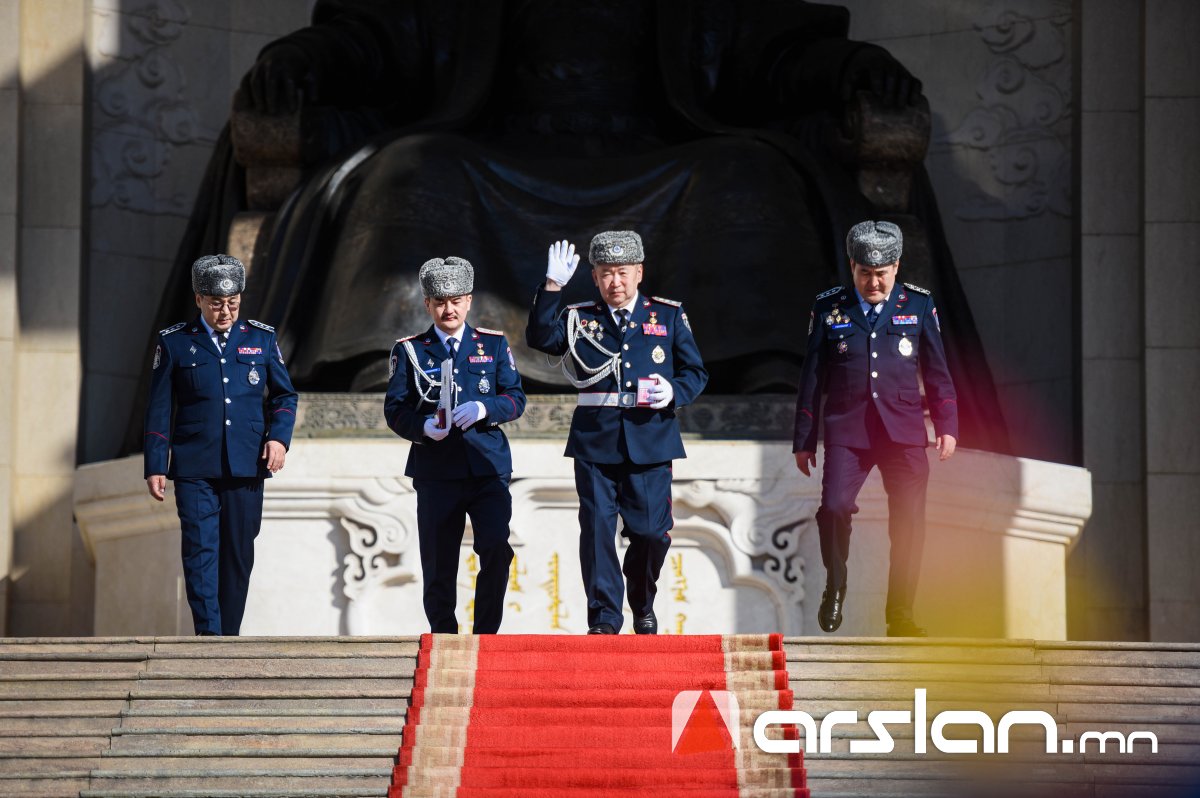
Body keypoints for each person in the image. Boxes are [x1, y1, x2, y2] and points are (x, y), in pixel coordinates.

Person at [526, 232, 708, 634]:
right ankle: (605, 618)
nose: (615, 283)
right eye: (606, 274)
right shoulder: (579, 318)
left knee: (650, 534)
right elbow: (540, 339)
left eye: (623, 273)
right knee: (596, 530)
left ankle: (642, 600)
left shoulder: (668, 316)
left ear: (639, 273)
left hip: (651, 439)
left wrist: (673, 392)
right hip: (596, 442)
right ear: (594, 277)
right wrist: (553, 287)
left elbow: (696, 372)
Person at [793, 221, 958, 637]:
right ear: (852, 267)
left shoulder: (918, 304)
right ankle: (836, 584)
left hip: (902, 432)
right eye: (865, 272)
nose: (874, 281)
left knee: (909, 521)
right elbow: (812, 377)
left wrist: (947, 424)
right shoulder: (830, 306)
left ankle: (901, 613)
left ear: (896, 266)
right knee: (833, 507)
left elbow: (937, 370)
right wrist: (804, 439)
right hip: (849, 430)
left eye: (882, 272)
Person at [143, 255, 298, 636]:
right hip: (195, 465)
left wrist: (278, 438)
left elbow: (284, 396)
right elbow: (160, 408)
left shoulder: (261, 338)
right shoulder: (175, 342)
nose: (225, 310)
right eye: (216, 303)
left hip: (246, 464)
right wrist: (155, 464)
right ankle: (209, 637)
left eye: (233, 302)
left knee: (238, 552)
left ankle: (228, 637)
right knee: (200, 550)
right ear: (198, 299)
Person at [384, 257, 526, 634]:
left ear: (469, 301)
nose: (449, 309)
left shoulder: (492, 345)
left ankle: (486, 633)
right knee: (438, 560)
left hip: (487, 467)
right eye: (440, 301)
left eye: (457, 300)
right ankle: (444, 632)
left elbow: (515, 398)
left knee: (496, 547)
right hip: (437, 470)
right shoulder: (411, 350)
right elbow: (394, 409)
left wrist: (484, 407)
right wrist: (424, 426)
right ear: (428, 305)